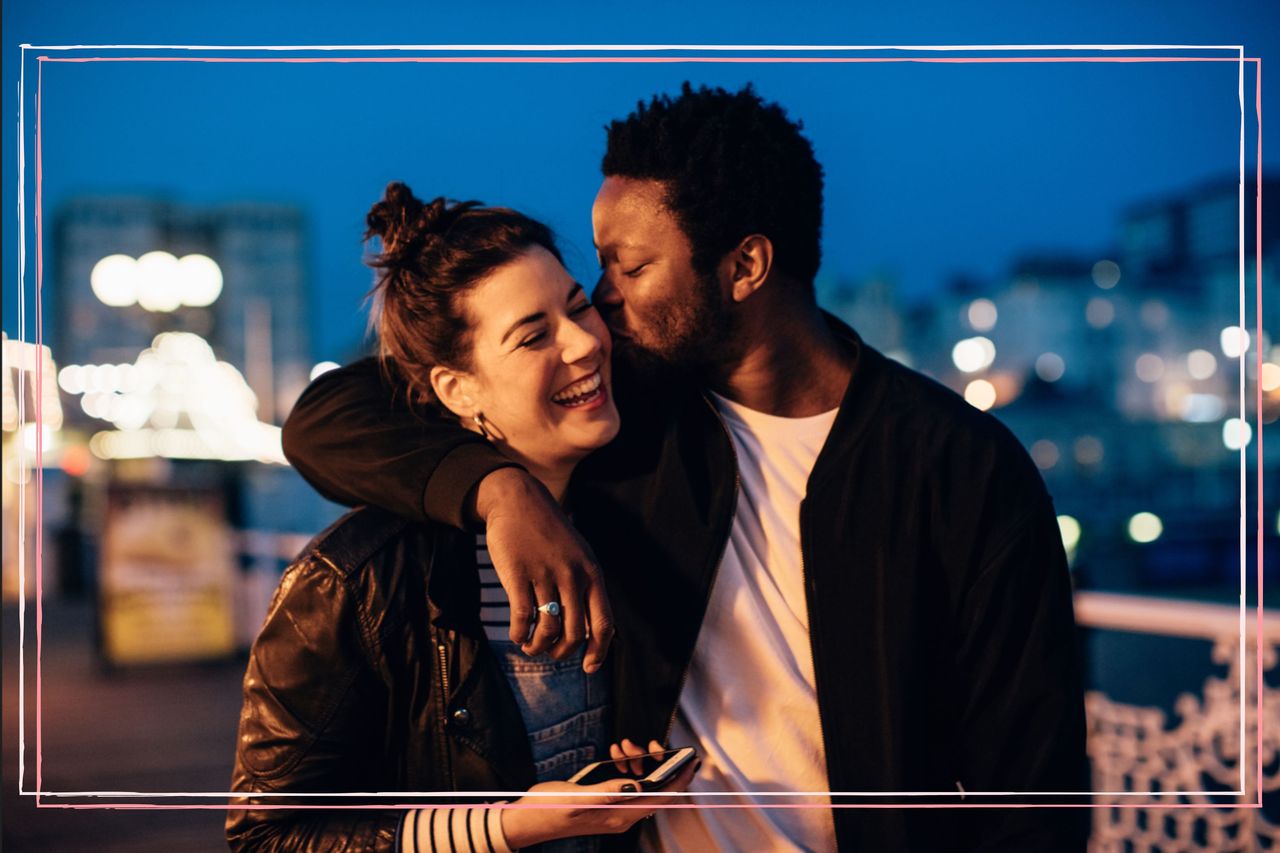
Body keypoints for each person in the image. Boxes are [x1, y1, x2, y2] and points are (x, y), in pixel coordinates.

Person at [282, 84, 1090, 851]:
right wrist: (500, 491)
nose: (599, 301)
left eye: (629, 268)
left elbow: (1030, 787)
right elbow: (329, 418)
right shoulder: (624, 409)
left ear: (744, 267)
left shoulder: (960, 465)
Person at [227, 184, 695, 852]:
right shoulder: (359, 578)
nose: (585, 343)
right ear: (457, 388)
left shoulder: (622, 515)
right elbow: (264, 836)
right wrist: (503, 826)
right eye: (533, 336)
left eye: (578, 307)